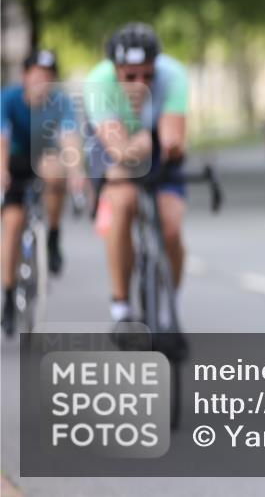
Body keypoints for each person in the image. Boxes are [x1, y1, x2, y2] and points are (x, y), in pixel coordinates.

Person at [83, 22, 189, 332]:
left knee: (171, 226)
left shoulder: (174, 75)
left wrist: (165, 145)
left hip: (153, 141)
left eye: (147, 75)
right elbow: (116, 147)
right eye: (130, 76)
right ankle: (121, 306)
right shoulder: (98, 82)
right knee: (123, 202)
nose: (139, 84)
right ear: (115, 70)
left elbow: (172, 137)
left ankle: (170, 307)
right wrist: (137, 145)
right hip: (115, 142)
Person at [1, 49, 85, 335]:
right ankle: (9, 296)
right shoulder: (9, 99)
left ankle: (52, 236)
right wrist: (2, 172)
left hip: (44, 157)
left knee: (55, 170)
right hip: (14, 162)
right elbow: (2, 139)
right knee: (12, 226)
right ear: (26, 77)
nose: (42, 82)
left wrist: (77, 173)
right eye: (38, 76)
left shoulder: (61, 102)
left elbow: (70, 138)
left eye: (48, 77)